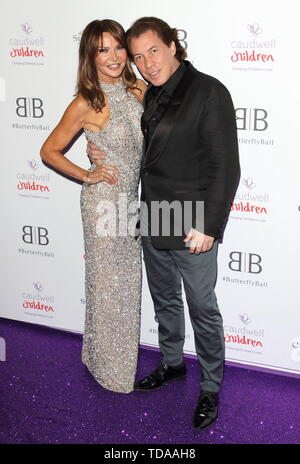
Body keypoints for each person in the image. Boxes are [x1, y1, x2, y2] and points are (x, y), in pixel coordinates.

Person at [88, 16, 240, 430]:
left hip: (192, 223)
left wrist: (209, 225)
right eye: (138, 57)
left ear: (173, 45)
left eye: (153, 51)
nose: (147, 63)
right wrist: (97, 154)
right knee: (165, 301)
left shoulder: (209, 92)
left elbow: (224, 167)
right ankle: (172, 363)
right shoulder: (148, 94)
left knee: (203, 308)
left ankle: (210, 386)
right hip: (152, 216)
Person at [40, 19, 147, 394]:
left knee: (128, 284)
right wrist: (88, 174)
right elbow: (49, 151)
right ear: (90, 56)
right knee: (106, 286)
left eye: (118, 47)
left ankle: (106, 357)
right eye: (103, 50)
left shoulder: (139, 89)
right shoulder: (87, 101)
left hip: (131, 204)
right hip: (102, 204)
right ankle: (108, 367)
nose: (114, 57)